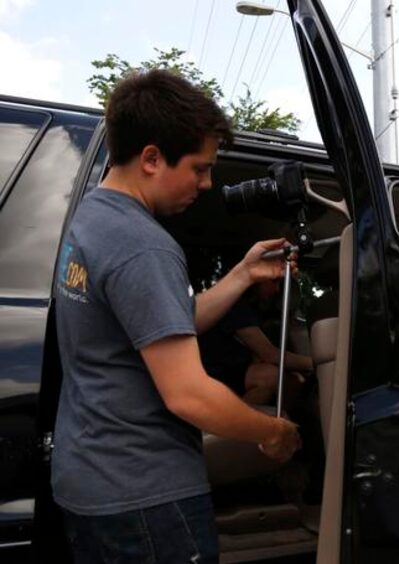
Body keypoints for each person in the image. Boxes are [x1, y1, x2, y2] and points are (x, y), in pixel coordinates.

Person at [52, 69, 301, 564]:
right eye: (199, 167)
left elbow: (162, 321)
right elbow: (189, 395)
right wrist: (273, 431)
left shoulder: (91, 219)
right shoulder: (143, 246)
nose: (207, 184)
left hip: (91, 481)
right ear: (151, 158)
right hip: (148, 499)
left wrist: (242, 275)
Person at [199, 278, 314, 406]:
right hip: (211, 374)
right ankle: (231, 422)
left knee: (291, 380)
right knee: (269, 376)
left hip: (226, 372)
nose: (277, 289)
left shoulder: (253, 310)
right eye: (274, 282)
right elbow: (269, 354)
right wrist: (314, 362)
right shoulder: (237, 306)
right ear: (257, 281)